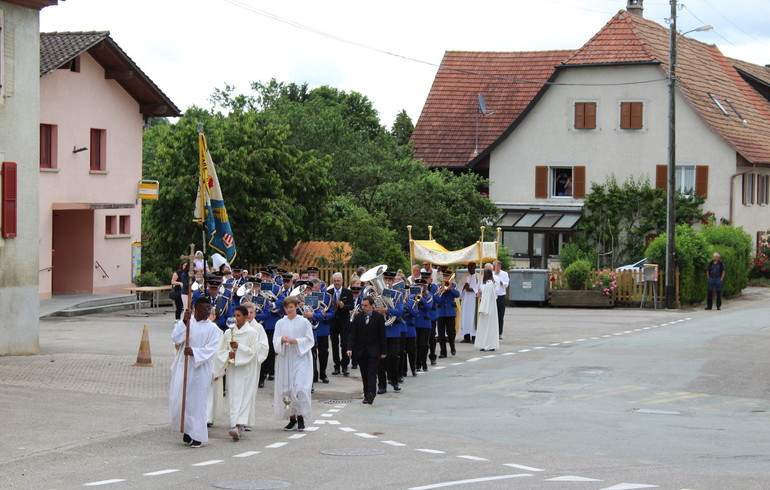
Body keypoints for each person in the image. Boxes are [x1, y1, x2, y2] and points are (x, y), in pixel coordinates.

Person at [169, 297, 222, 448]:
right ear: (196, 309)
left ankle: (198, 435)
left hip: (200, 367)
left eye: (209, 309)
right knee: (181, 398)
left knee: (197, 402)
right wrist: (184, 323)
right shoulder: (188, 322)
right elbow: (175, 338)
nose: (208, 312)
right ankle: (187, 429)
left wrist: (194, 352)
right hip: (183, 366)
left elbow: (211, 349)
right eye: (205, 309)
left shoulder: (213, 329)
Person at [213, 305, 269, 441]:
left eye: (239, 316)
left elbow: (253, 352)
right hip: (233, 368)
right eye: (235, 316)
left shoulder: (252, 333)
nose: (236, 319)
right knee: (233, 395)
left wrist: (239, 347)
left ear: (245, 317)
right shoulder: (228, 333)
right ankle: (234, 424)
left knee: (245, 395)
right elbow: (220, 351)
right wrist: (229, 354)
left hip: (247, 369)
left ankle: (239, 425)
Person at [273, 295, 314, 431]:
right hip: (286, 359)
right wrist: (282, 340)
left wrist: (298, 341)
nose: (289, 310)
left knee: (300, 388)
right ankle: (291, 417)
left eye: (291, 307)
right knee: (286, 390)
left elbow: (309, 340)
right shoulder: (280, 323)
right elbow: (275, 340)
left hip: (300, 358)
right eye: (286, 307)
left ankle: (301, 416)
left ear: (296, 307)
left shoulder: (303, 322)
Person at [347, 296, 387, 404]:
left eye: (366, 305)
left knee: (372, 373)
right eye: (362, 305)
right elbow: (352, 334)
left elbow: (382, 335)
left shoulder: (378, 317)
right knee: (364, 373)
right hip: (361, 350)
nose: (363, 307)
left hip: (374, 350)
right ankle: (366, 394)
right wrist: (349, 348)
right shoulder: (358, 317)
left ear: (372, 306)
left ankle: (371, 393)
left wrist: (384, 351)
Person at [329, 272, 354, 377]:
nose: (336, 283)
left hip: (344, 321)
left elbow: (352, 306)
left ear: (342, 281)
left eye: (338, 281)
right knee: (334, 344)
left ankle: (345, 365)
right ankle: (336, 365)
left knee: (344, 344)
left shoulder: (348, 292)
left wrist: (344, 306)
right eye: (334, 281)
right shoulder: (329, 292)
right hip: (333, 322)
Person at [435, 270, 460, 358]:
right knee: (441, 334)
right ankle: (443, 352)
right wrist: (440, 292)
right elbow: (436, 299)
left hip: (450, 312)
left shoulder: (453, 286)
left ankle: (452, 346)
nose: (445, 278)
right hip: (441, 312)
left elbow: (457, 295)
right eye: (444, 276)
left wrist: (450, 289)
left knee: (451, 332)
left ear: (450, 277)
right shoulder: (438, 286)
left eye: (447, 276)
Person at [475, 268, 499, 351]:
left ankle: (487, 345)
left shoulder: (488, 284)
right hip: (490, 308)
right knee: (489, 326)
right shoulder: (490, 284)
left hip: (488, 309)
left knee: (487, 326)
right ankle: (489, 344)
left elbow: (486, 298)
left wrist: (482, 308)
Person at [458, 263, 480, 343]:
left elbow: (479, 287)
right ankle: (466, 336)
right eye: (468, 267)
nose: (469, 268)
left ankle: (474, 336)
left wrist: (472, 289)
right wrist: (464, 287)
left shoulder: (478, 276)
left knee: (473, 317)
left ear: (475, 267)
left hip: (474, 300)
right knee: (465, 316)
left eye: (471, 267)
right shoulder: (464, 276)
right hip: (466, 299)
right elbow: (459, 287)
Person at [492, 260, 509, 338]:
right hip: (493, 295)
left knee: (500, 315)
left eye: (495, 266)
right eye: (493, 266)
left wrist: (502, 283)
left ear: (499, 266)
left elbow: (507, 284)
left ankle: (499, 332)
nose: (494, 268)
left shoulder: (504, 274)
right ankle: (492, 331)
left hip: (501, 295)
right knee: (492, 314)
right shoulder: (492, 274)